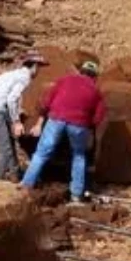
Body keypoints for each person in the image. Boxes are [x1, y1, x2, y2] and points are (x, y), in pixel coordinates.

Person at [20, 60, 107, 203]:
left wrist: (42, 117)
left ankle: (26, 186)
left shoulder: (65, 80)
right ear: (95, 77)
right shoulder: (95, 91)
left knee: (41, 153)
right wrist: (88, 126)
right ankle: (76, 194)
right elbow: (99, 116)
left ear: (80, 72)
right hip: (79, 123)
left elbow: (47, 100)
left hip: (57, 118)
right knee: (79, 155)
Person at [0, 51, 46, 180]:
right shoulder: (25, 77)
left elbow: (9, 98)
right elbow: (11, 99)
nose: (39, 71)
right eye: (39, 67)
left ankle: (15, 174)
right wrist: (16, 122)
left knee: (10, 142)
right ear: (34, 66)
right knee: (4, 151)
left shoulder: (14, 74)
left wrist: (18, 112)